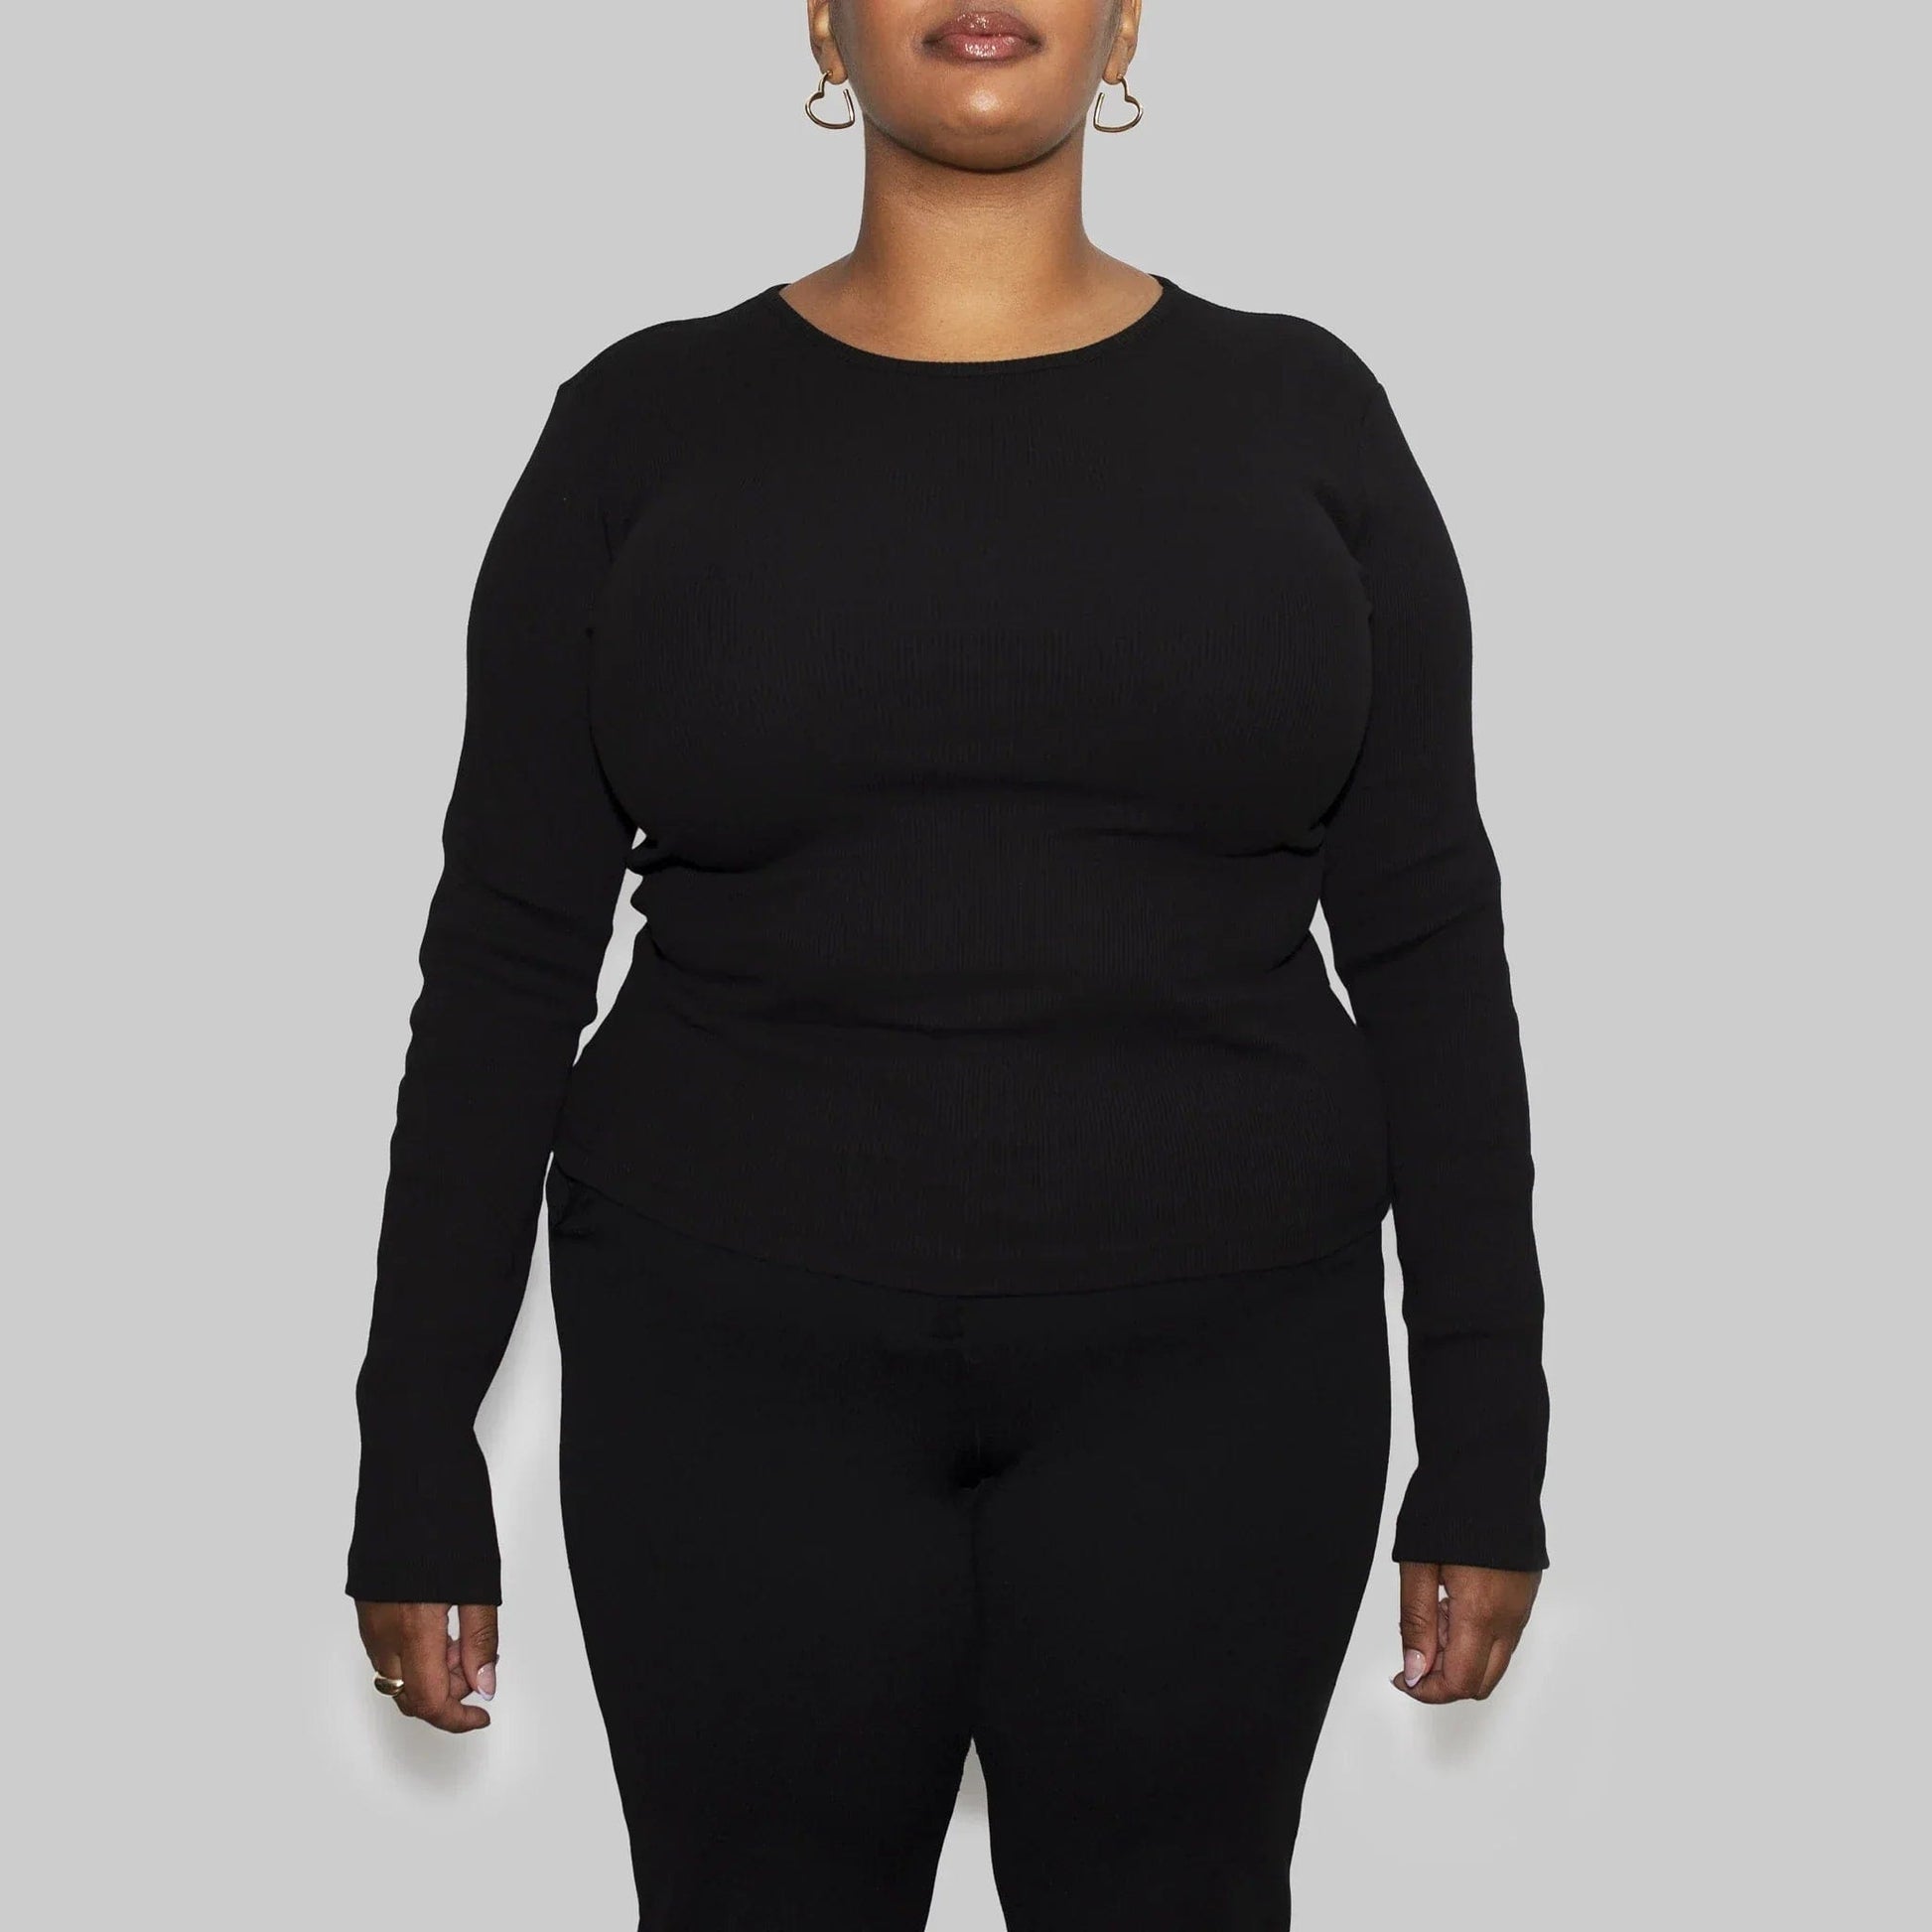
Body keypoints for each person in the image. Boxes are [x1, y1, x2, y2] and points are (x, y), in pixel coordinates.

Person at [346, 3, 1550, 1923]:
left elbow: (1427, 938)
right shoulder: (639, 426)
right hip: (723, 1367)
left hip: (1226, 1372)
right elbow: (502, 956)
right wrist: (414, 1445)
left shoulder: (1304, 412)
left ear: (1125, 19)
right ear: (820, 20)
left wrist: (1486, 1440)